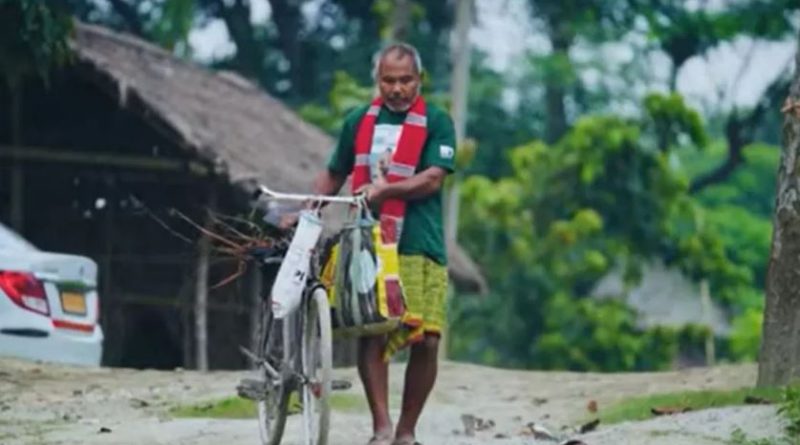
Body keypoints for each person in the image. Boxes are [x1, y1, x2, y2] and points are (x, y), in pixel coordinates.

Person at [310, 43, 457, 445]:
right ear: (378, 81)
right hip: (367, 241)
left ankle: (407, 432)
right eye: (388, 80)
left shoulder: (438, 122)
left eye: (405, 80)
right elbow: (335, 172)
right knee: (372, 330)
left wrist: (387, 189)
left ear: (419, 80)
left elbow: (432, 178)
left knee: (426, 339)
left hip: (419, 241)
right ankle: (381, 427)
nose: (397, 88)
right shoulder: (358, 121)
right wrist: (309, 212)